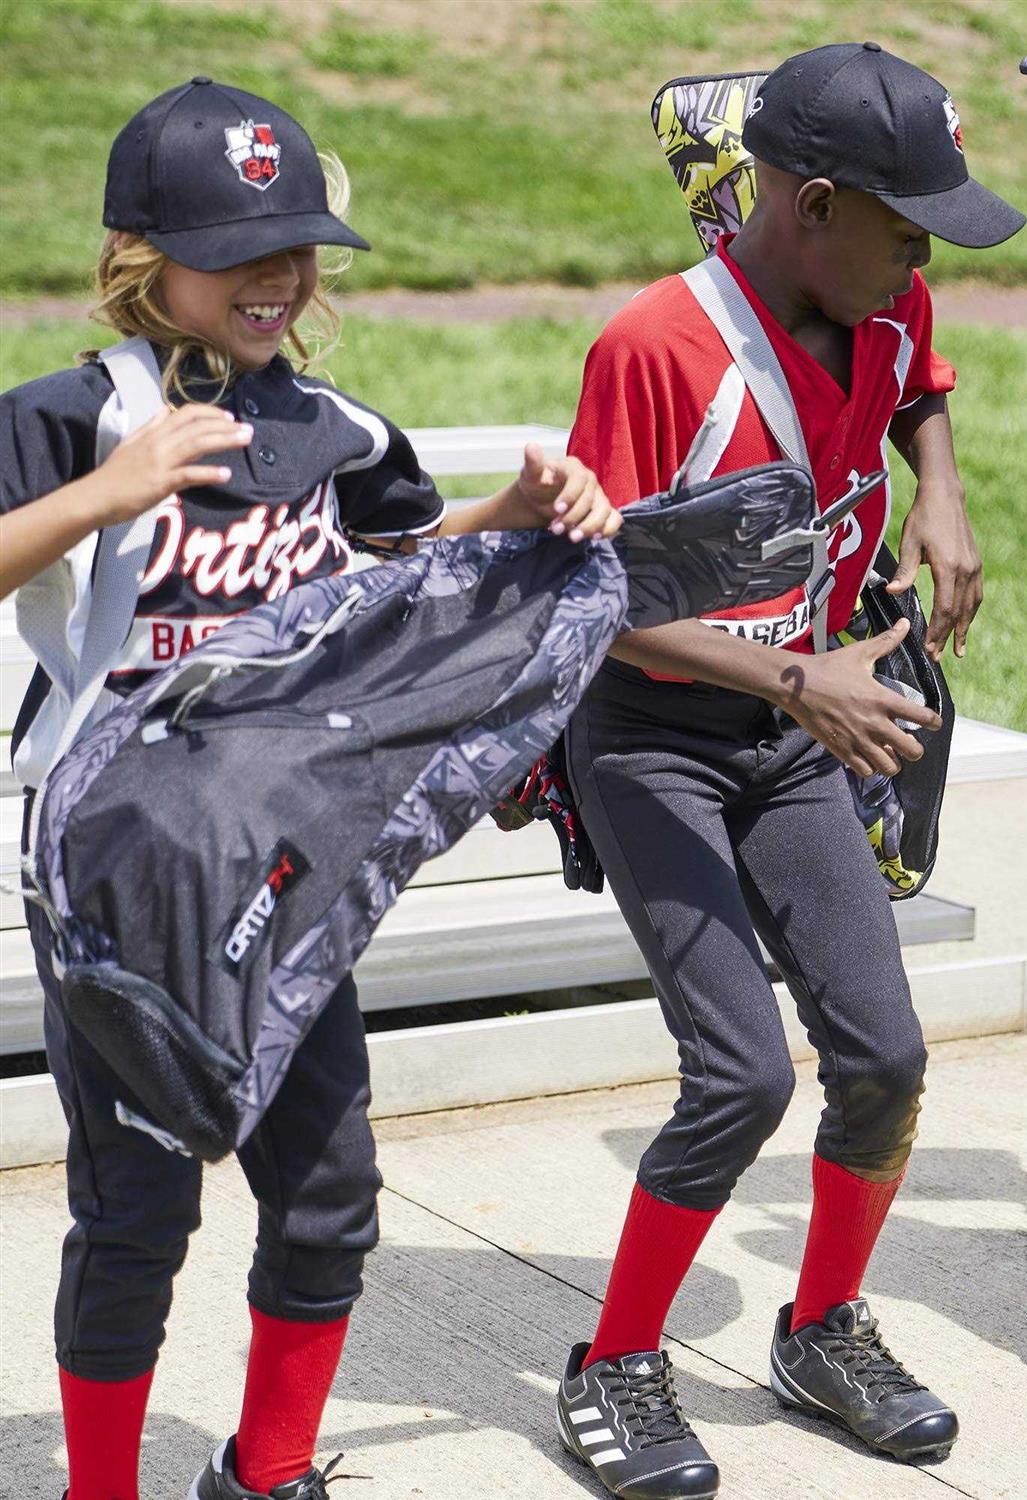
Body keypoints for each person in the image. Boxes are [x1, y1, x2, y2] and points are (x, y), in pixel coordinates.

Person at [0, 79, 615, 1500]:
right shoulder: (80, 416)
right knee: (138, 1213)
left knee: (331, 1197)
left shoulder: (336, 431)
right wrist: (110, 492)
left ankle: (267, 1473)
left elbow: (393, 575)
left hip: (283, 870)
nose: (278, 277)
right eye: (238, 246)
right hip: (123, 884)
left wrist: (507, 521)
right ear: (142, 254)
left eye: (299, 245)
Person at [552, 42, 1025, 1499]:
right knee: (740, 1074)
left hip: (797, 727)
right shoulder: (656, 347)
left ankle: (822, 1327)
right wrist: (800, 678)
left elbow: (918, 370)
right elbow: (600, 602)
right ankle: (616, 1362)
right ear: (813, 205)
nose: (925, 252)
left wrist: (938, 491)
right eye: (907, 222)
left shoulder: (880, 298)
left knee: (883, 1056)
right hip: (653, 738)